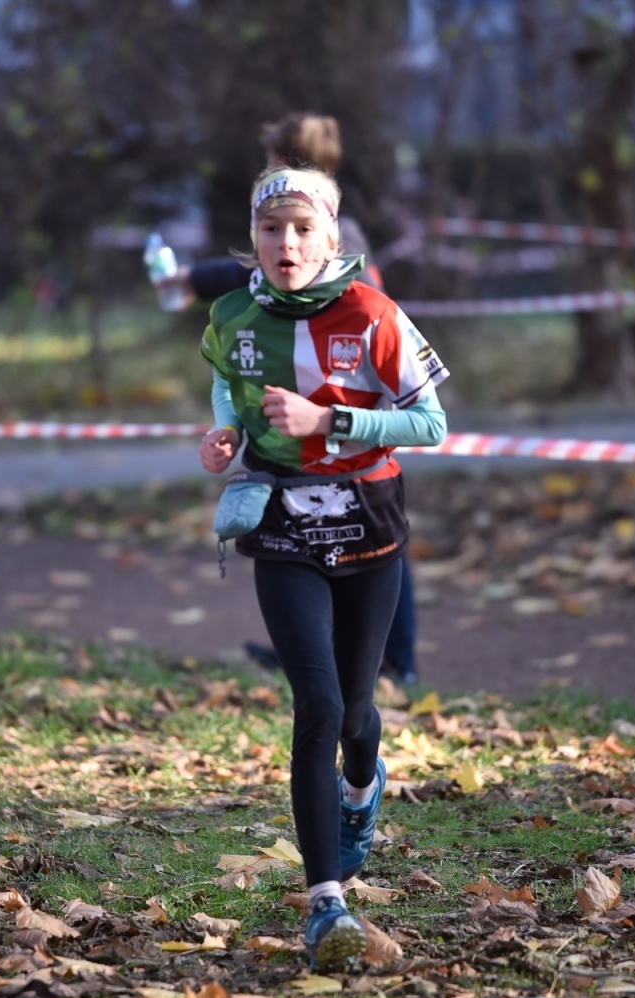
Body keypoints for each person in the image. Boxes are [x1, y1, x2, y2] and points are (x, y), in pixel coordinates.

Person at [198, 165, 448, 971]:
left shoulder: (372, 311)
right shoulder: (232, 314)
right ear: (255, 238)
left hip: (369, 531)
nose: (287, 243)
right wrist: (226, 438)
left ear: (331, 237)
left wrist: (329, 417)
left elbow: (433, 422)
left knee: (355, 717)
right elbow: (228, 396)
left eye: (304, 228)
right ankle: (325, 904)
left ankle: (361, 785)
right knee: (316, 702)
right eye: (272, 229)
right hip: (281, 529)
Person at [159, 112, 420, 683]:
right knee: (302, 547)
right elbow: (249, 274)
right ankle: (304, 652)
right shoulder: (279, 231)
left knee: (377, 540)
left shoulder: (334, 231)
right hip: (293, 435)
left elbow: (358, 307)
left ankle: (395, 659)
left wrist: (340, 407)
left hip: (348, 430)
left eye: (275, 160)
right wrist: (192, 282)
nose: (286, 243)